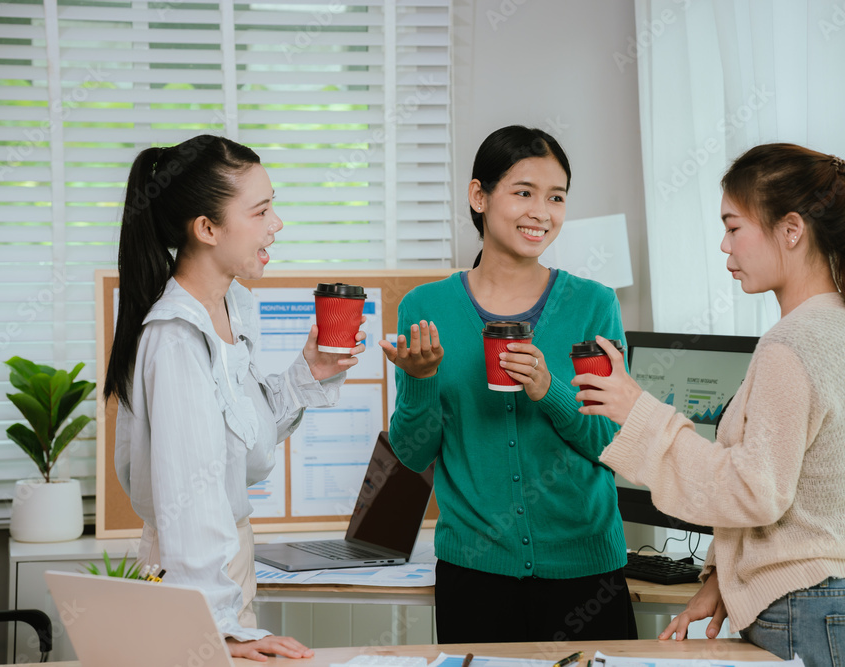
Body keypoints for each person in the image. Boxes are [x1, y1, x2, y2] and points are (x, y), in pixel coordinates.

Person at [575, 143, 845, 666]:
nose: (724, 246)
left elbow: (754, 489)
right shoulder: (842, 325)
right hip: (832, 606)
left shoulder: (790, 344)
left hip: (807, 611)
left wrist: (639, 411)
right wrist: (723, 578)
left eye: (734, 226)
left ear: (791, 230)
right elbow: (808, 490)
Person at [104, 135, 365, 662]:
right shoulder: (177, 338)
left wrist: (306, 373)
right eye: (262, 210)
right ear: (206, 228)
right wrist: (221, 627)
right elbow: (190, 497)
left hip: (223, 560)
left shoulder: (230, 308)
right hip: (194, 574)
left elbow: (241, 437)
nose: (277, 225)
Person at [380, 125, 636, 643]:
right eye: (523, 192)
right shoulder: (425, 309)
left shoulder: (594, 305)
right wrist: (423, 381)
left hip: (586, 573)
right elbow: (411, 454)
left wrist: (550, 389)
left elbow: (611, 444)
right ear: (480, 196)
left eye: (556, 197)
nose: (541, 212)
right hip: (475, 576)